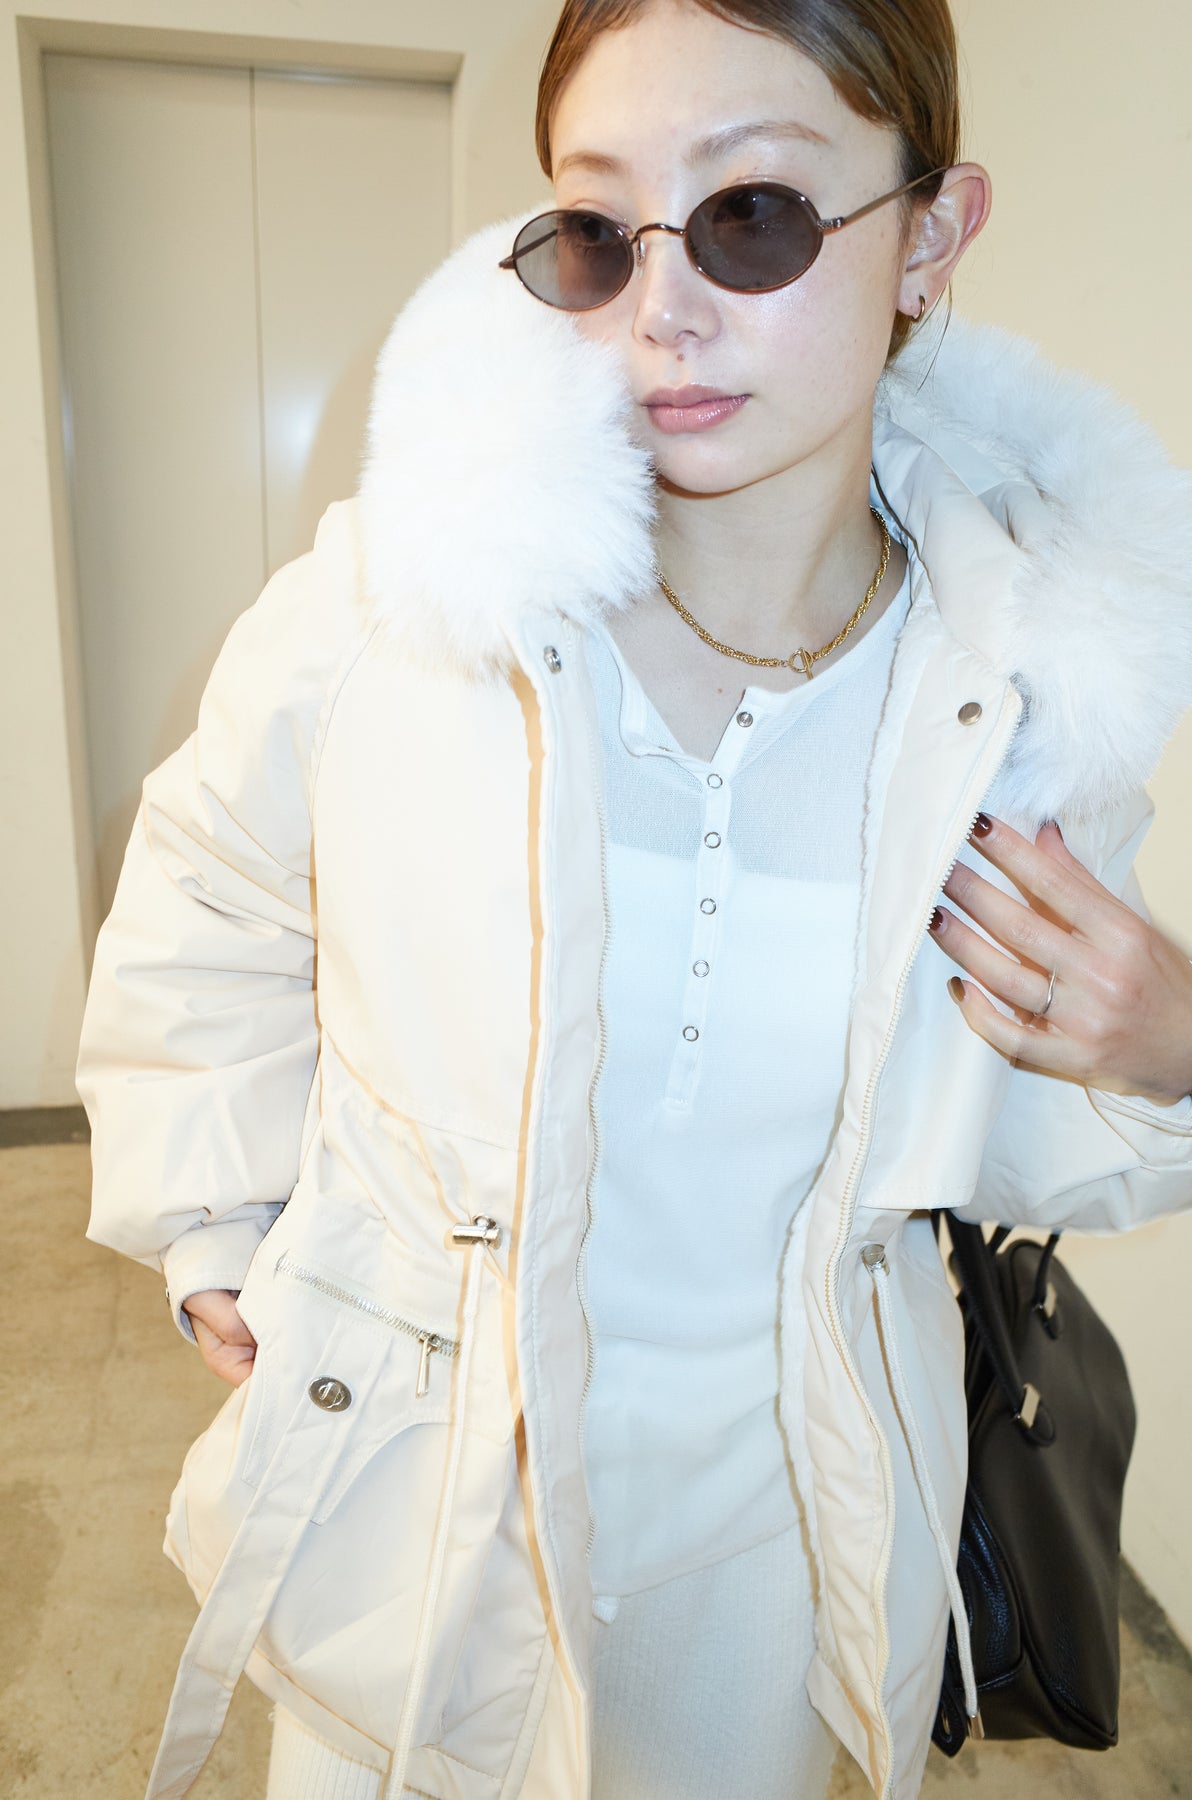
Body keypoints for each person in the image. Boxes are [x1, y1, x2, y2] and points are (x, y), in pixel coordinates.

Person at [75, 0, 1192, 1796]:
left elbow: (1023, 1151)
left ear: (932, 234)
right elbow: (215, 886)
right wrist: (219, 1210)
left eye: (752, 215)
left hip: (782, 1549)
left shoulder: (1012, 707)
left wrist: (1171, 1048)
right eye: (598, 231)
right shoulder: (408, 604)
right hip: (420, 1512)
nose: (660, 308)